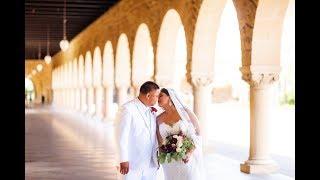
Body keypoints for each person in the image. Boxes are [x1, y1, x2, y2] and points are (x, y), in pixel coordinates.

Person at [156, 88, 206, 180]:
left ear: (170, 97)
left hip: (187, 157)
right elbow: (160, 141)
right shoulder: (158, 119)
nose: (158, 98)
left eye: (161, 95)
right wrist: (164, 155)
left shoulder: (185, 112)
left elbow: (198, 133)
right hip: (169, 161)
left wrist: (189, 152)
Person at [115, 81, 160, 180]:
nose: (158, 99)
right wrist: (123, 159)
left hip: (151, 164)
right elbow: (121, 136)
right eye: (156, 96)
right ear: (148, 95)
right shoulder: (127, 109)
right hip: (132, 164)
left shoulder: (152, 111)